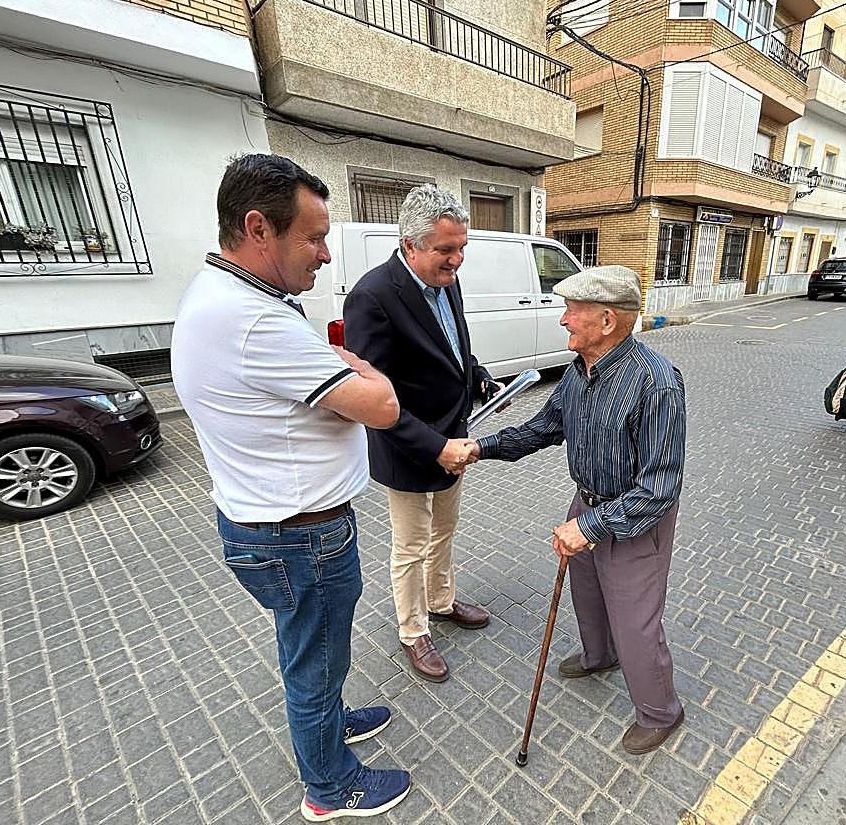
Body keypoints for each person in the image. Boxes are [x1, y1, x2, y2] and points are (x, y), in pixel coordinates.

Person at [171, 154, 411, 822]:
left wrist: (338, 369)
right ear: (258, 229)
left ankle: (329, 721)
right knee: (314, 662)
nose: (326, 255)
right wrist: (362, 367)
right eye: (314, 237)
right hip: (300, 537)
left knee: (311, 648)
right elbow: (383, 407)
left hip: (273, 525)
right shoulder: (256, 322)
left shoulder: (224, 296)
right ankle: (330, 787)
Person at [466, 265, 688, 756]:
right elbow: (543, 428)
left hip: (635, 517)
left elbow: (659, 488)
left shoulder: (656, 383)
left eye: (571, 311)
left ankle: (661, 711)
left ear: (606, 321)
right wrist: (481, 447)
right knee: (586, 593)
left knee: (635, 621)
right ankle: (599, 655)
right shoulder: (578, 372)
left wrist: (589, 527)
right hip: (586, 503)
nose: (562, 319)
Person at [343, 184, 499, 683]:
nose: (457, 260)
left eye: (462, 248)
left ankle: (441, 600)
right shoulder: (372, 297)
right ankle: (413, 631)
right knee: (411, 545)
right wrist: (435, 447)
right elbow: (372, 396)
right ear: (410, 244)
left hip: (454, 434)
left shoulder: (446, 280)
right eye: (445, 250)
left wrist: (476, 374)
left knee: (445, 529)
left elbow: (452, 345)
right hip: (409, 445)